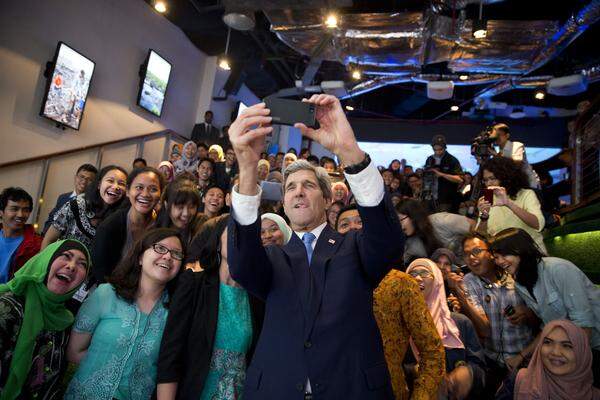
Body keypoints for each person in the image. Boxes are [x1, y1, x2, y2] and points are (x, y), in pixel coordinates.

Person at [226, 95, 404, 399]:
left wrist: (349, 151)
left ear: (327, 198)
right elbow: (242, 266)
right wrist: (247, 168)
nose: (298, 193)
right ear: (283, 204)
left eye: (308, 185)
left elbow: (387, 241)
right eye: (290, 188)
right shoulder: (271, 257)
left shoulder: (354, 248)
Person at [334, 205, 446, 400]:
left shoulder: (401, 283)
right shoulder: (323, 281)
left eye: (360, 221)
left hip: (387, 391)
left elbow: (433, 352)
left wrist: (421, 396)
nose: (352, 227)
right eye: (344, 224)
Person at [65, 228, 183, 400]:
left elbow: (168, 370)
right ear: (141, 257)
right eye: (160, 248)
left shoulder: (175, 313)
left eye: (177, 254)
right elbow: (74, 352)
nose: (167, 256)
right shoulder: (107, 294)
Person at [156, 216, 265, 399]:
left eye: (249, 235)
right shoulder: (193, 283)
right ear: (217, 240)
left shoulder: (257, 298)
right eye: (234, 232)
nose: (241, 239)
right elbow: (171, 353)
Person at [490, 228, 600, 382]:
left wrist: (567, 370)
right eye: (496, 257)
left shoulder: (558, 269)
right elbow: (549, 328)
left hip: (592, 346)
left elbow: (583, 325)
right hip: (570, 350)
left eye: (504, 255)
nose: (499, 261)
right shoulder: (520, 285)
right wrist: (521, 356)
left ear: (521, 249)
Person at [0, 239, 90, 399]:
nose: (71, 266)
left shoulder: (66, 322)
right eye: (66, 256)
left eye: (82, 264)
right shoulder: (7, 308)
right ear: (46, 261)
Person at [449, 233, 536, 395]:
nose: (471, 258)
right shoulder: (469, 281)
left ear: (490, 252)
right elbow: (485, 330)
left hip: (525, 358)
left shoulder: (513, 273)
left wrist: (527, 313)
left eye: (476, 251)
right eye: (466, 254)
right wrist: (459, 294)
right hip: (492, 361)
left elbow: (542, 320)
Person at [406, 258, 486, 400]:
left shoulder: (459, 323)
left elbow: (480, 369)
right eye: (412, 274)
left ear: (437, 281)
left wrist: (469, 372)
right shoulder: (400, 326)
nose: (417, 278)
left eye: (424, 273)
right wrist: (413, 370)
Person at [91, 167, 165, 283]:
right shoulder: (110, 227)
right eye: (139, 187)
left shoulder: (163, 225)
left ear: (161, 194)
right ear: (128, 191)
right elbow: (101, 274)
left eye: (153, 189)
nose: (145, 194)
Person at [495, 320, 600, 400]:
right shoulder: (517, 380)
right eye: (548, 342)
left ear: (582, 354)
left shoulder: (594, 396)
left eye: (567, 346)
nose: (555, 352)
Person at [42, 165, 128, 250]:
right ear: (99, 184)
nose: (115, 187)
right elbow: (49, 240)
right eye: (110, 181)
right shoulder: (76, 205)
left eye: (121, 184)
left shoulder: (123, 218)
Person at [477, 156, 547, 254]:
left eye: (492, 178)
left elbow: (538, 224)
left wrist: (509, 203)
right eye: (485, 180)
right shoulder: (487, 200)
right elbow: (480, 235)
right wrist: (484, 216)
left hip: (530, 253)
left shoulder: (526, 194)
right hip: (503, 257)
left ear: (506, 176)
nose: (488, 183)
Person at [0, 188, 42, 284]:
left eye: (25, 210)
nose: (20, 215)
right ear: (1, 212)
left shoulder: (37, 245)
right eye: (14, 209)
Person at [43, 163, 98, 233]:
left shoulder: (94, 203)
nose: (84, 181)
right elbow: (51, 219)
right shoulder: (62, 198)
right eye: (82, 177)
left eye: (89, 179)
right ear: (75, 177)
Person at [491, 123, 540, 189]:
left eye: (499, 134)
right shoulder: (499, 153)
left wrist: (497, 156)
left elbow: (517, 163)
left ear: (507, 135)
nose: (497, 137)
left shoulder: (517, 145)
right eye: (495, 135)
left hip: (529, 185)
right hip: (516, 186)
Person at [424, 134, 464, 212]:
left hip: (445, 200)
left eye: (440, 149)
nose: (437, 152)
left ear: (445, 147)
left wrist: (441, 174)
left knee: (442, 222)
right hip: (430, 198)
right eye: (435, 150)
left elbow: (460, 179)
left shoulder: (452, 160)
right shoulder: (429, 159)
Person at [396, 200, 442, 267]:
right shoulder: (402, 241)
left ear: (413, 216)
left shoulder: (429, 239)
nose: (400, 225)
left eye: (401, 219)